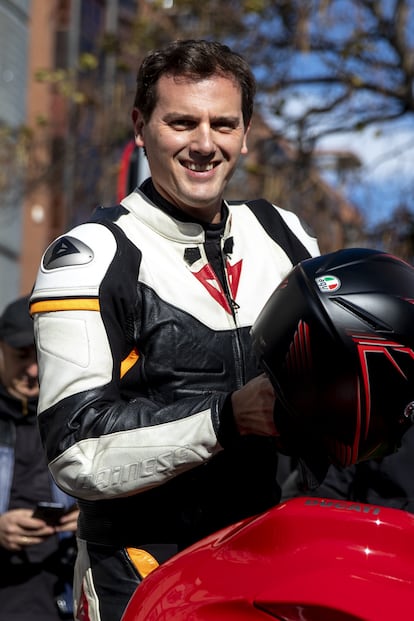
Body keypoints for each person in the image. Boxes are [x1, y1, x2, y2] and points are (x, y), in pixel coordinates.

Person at [29, 39, 320, 621]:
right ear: (141, 126)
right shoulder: (91, 253)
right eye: (181, 122)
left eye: (223, 124)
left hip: (267, 563)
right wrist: (226, 419)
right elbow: (75, 450)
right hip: (140, 573)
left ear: (245, 132)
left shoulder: (286, 235)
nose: (204, 144)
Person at [0, 295, 79, 621]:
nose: (33, 370)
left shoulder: (75, 414)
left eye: (40, 356)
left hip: (64, 587)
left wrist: (91, 516)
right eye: (21, 356)